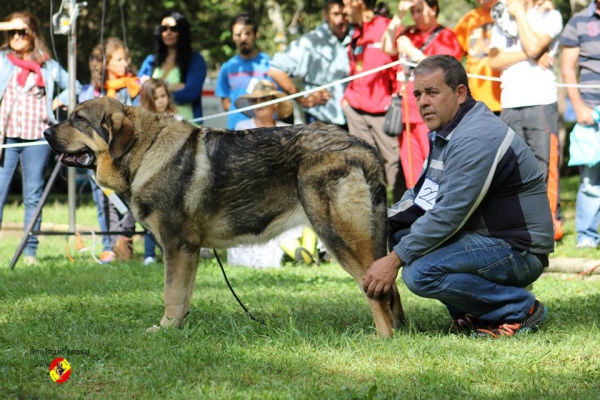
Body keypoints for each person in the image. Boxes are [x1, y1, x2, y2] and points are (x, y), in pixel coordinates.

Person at [362, 55, 553, 338]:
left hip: (519, 249)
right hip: (487, 239)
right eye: (417, 94)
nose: (423, 101)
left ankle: (519, 309)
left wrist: (392, 261)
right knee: (402, 236)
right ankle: (475, 312)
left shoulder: (476, 137)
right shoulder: (447, 132)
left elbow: (449, 214)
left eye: (432, 92)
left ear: (460, 93)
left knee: (420, 273)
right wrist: (375, 223)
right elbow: (422, 199)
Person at [0, 12, 80, 265]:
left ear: (33, 33)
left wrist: (57, 101)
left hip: (36, 137)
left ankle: (30, 251)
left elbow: (74, 86)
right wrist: (8, 24)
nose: (16, 37)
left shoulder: (47, 65)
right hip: (7, 136)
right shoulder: (3, 61)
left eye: (22, 32)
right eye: (12, 32)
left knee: (33, 194)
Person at [488, 0, 564, 242]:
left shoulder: (549, 16)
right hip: (510, 102)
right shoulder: (502, 20)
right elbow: (494, 61)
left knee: (544, 165)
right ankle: (517, 225)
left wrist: (520, 13)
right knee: (511, 167)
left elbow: (533, 45)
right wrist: (530, 54)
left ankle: (549, 226)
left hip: (540, 100)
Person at [381, 0, 462, 189]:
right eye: (412, 12)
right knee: (413, 172)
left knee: (435, 168)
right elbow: (386, 47)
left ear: (433, 9)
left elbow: (447, 70)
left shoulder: (446, 36)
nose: (415, 16)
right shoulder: (409, 33)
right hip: (406, 113)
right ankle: (417, 211)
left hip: (432, 113)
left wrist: (413, 52)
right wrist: (399, 15)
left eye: (419, 10)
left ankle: (439, 211)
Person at [80, 37, 140, 263]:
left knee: (129, 198)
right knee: (102, 198)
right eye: (119, 59)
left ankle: (125, 240)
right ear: (105, 63)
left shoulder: (132, 88)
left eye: (126, 59)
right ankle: (108, 245)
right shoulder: (92, 92)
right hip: (98, 157)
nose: (125, 63)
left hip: (125, 155)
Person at [341, 0, 404, 202]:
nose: (344, 9)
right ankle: (374, 219)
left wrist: (395, 99)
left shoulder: (386, 26)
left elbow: (400, 67)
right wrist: (346, 102)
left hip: (383, 112)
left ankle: (403, 220)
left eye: (345, 3)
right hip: (356, 110)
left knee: (394, 166)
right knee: (364, 165)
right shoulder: (357, 32)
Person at [268, 0, 351, 129]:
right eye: (335, 14)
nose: (340, 20)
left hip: (352, 119)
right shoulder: (311, 42)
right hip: (322, 122)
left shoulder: (355, 36)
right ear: (325, 15)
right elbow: (275, 69)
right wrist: (303, 99)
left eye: (344, 14)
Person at [560, 1, 600, 248]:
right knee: (590, 180)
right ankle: (587, 237)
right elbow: (567, 68)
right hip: (591, 109)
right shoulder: (578, 22)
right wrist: (578, 107)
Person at [138, 10, 207, 122]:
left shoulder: (195, 60)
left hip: (188, 126)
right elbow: (139, 89)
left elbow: (190, 93)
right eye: (164, 28)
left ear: (182, 31)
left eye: (173, 29)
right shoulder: (151, 60)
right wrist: (176, 86)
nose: (168, 32)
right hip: (154, 126)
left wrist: (155, 88)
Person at [216, 13, 272, 130]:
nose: (243, 38)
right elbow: (225, 102)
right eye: (238, 34)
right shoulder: (228, 67)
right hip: (236, 132)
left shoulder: (269, 63)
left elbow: (276, 98)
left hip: (264, 130)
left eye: (247, 33)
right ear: (232, 37)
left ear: (256, 34)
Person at [453, 0, 502, 114]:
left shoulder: (509, 12)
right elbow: (452, 56)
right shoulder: (470, 19)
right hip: (476, 103)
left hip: (508, 103)